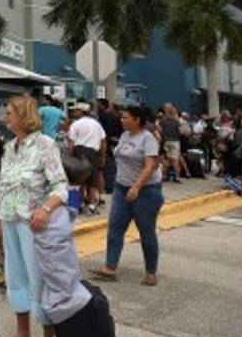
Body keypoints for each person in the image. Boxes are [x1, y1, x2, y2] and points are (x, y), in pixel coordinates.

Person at [0, 95, 68, 337]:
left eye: (10, 112)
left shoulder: (45, 145)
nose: (6, 117)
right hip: (11, 220)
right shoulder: (9, 148)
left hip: (34, 225)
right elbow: (4, 186)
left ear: (25, 116)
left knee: (40, 283)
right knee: (16, 278)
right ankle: (23, 336)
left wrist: (46, 209)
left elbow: (60, 185)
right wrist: (0, 219)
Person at [93, 104, 164, 286]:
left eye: (125, 117)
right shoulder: (125, 136)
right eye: (122, 117)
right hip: (121, 188)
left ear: (137, 120)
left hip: (145, 191)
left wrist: (136, 187)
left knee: (146, 231)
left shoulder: (148, 139)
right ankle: (110, 268)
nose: (121, 120)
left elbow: (150, 165)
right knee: (115, 228)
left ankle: (151, 272)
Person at [66, 102, 106, 214]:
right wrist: (102, 156)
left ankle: (78, 204)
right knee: (93, 179)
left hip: (79, 151)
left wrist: (70, 157)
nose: (73, 112)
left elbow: (71, 143)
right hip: (93, 152)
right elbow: (103, 141)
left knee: (77, 179)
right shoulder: (97, 125)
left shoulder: (75, 124)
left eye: (75, 110)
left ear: (81, 111)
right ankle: (92, 204)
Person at [157, 103, 184, 182]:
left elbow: (159, 130)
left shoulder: (162, 120)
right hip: (175, 141)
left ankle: (165, 175)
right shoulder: (176, 121)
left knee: (166, 159)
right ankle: (178, 177)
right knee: (175, 160)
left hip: (166, 140)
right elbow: (181, 131)